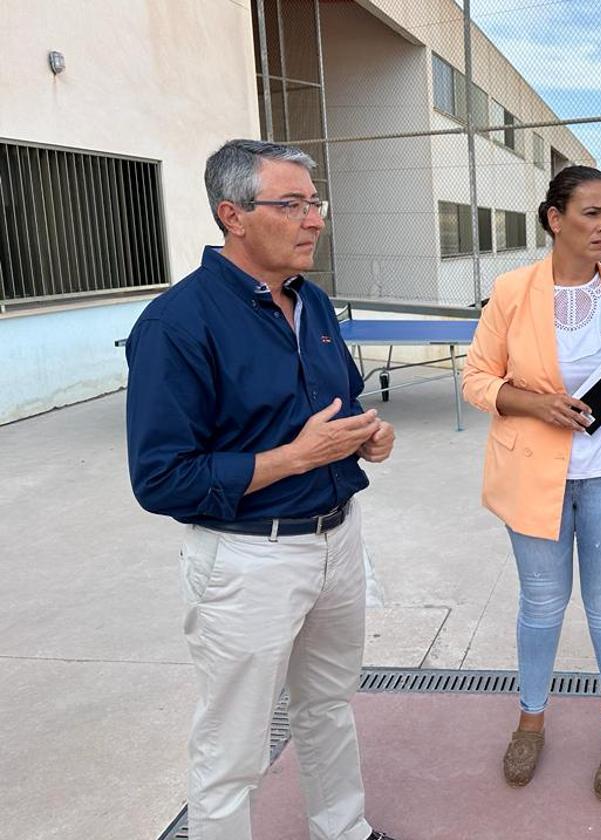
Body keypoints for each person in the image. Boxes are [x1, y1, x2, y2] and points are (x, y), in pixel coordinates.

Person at [125, 139, 397, 840]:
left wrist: (367, 438)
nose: (313, 220)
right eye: (291, 205)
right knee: (233, 744)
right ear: (233, 215)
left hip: (338, 539)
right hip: (249, 560)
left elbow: (341, 402)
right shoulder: (175, 324)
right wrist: (294, 458)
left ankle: (344, 829)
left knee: (329, 705)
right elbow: (161, 478)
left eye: (315, 204)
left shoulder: (317, 306)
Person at [462, 165, 601, 801]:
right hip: (534, 476)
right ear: (555, 219)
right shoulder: (511, 291)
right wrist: (536, 405)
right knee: (540, 605)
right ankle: (530, 721)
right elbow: (476, 379)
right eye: (591, 213)